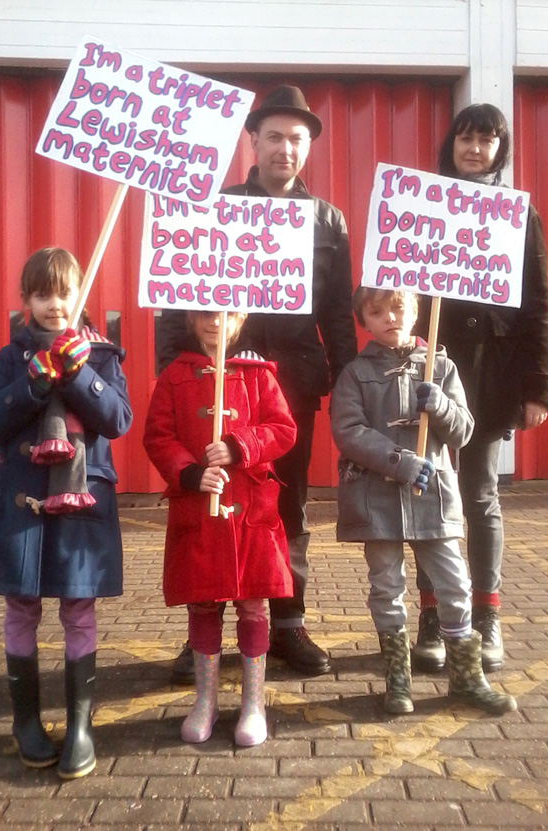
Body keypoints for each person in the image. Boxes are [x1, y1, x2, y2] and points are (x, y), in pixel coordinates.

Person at [157, 85, 358, 680]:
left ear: (308, 148)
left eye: (297, 139)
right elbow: (177, 301)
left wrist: (346, 383)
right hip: (215, 385)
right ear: (253, 140)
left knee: (284, 506)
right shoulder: (215, 208)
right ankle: (206, 630)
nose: (286, 148)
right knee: (210, 501)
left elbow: (338, 315)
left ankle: (289, 625)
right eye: (275, 136)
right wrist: (172, 370)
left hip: (289, 387)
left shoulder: (329, 221)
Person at [0, 247, 133, 778]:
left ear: (80, 295)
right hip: (21, 508)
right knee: (21, 609)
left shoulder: (103, 355)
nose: (54, 304)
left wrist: (81, 374)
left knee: (78, 611)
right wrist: (34, 382)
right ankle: (26, 723)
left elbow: (117, 420)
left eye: (64, 292)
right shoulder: (9, 357)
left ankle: (80, 727)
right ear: (26, 300)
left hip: (80, 506)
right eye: (42, 293)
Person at [412, 103, 548, 674]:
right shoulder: (420, 206)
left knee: (477, 497)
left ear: (501, 150)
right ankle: (430, 615)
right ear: (450, 143)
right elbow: (395, 288)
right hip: (428, 373)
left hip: (491, 381)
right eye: (466, 138)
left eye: (487, 141)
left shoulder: (518, 216)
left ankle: (485, 616)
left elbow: (539, 306)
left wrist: (538, 387)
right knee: (425, 497)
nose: (474, 149)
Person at [330, 286, 516, 715]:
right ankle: (398, 678)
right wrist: (399, 461)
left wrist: (444, 407)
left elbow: (464, 431)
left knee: (455, 584)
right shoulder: (355, 375)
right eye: (377, 312)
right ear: (365, 321)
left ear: (416, 311)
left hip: (433, 499)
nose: (390, 318)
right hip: (376, 500)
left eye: (399, 308)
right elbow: (348, 431)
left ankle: (467, 677)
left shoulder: (443, 366)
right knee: (386, 586)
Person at [143, 311, 297, 746]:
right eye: (205, 313)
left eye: (225, 313)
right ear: (191, 318)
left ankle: (253, 703)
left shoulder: (257, 374)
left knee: (252, 605)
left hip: (249, 511)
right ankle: (205, 700)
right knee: (203, 606)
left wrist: (238, 445)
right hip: (200, 511)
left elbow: (283, 429)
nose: (215, 321)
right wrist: (189, 473)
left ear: (241, 317)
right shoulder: (174, 375)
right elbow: (158, 436)